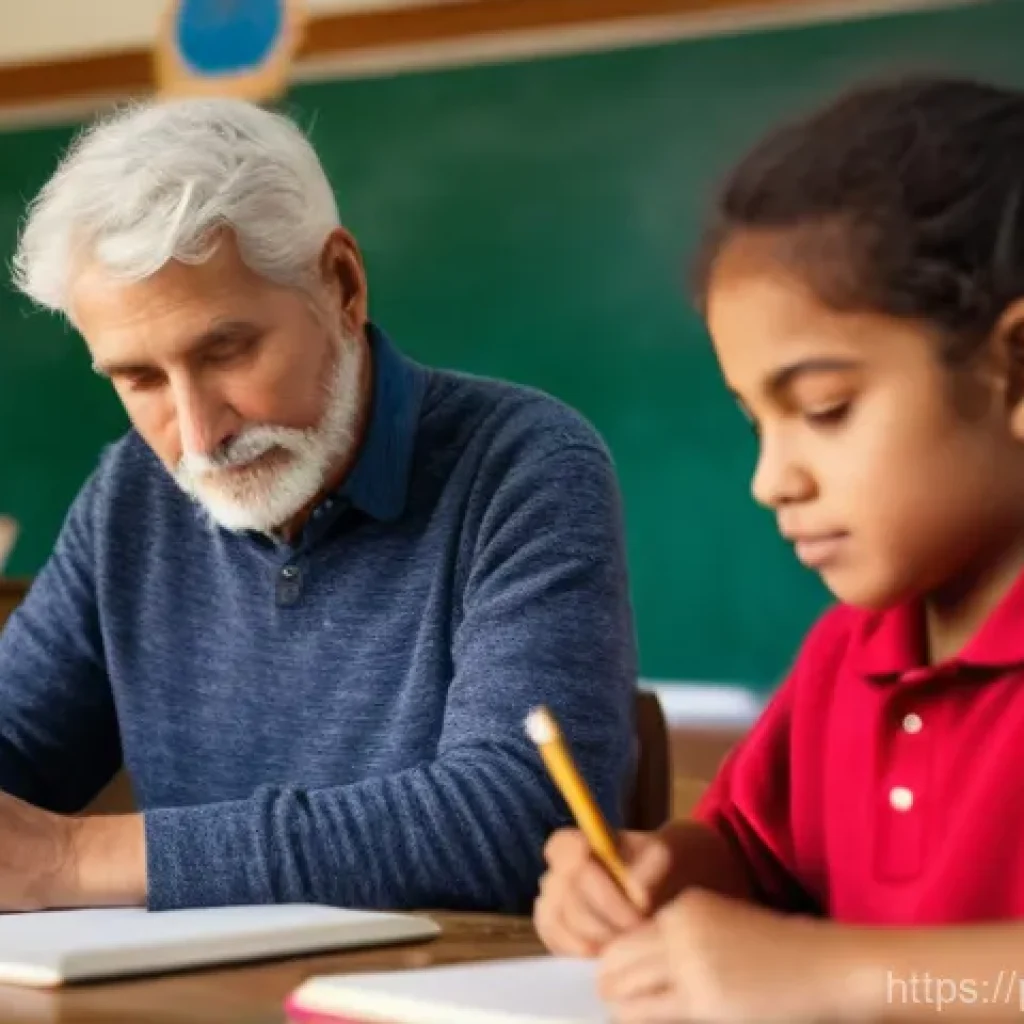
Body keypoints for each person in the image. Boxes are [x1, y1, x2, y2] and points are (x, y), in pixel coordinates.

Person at [0, 98, 637, 915]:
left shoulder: (525, 464)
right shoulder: (128, 498)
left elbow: (523, 820)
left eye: (227, 350)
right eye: (141, 379)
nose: (198, 436)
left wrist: (71, 859)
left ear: (341, 284)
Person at [535, 74, 1024, 1022]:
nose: (771, 481)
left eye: (824, 410)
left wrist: (838, 977)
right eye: (756, 421)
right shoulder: (849, 656)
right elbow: (753, 861)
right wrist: (658, 877)